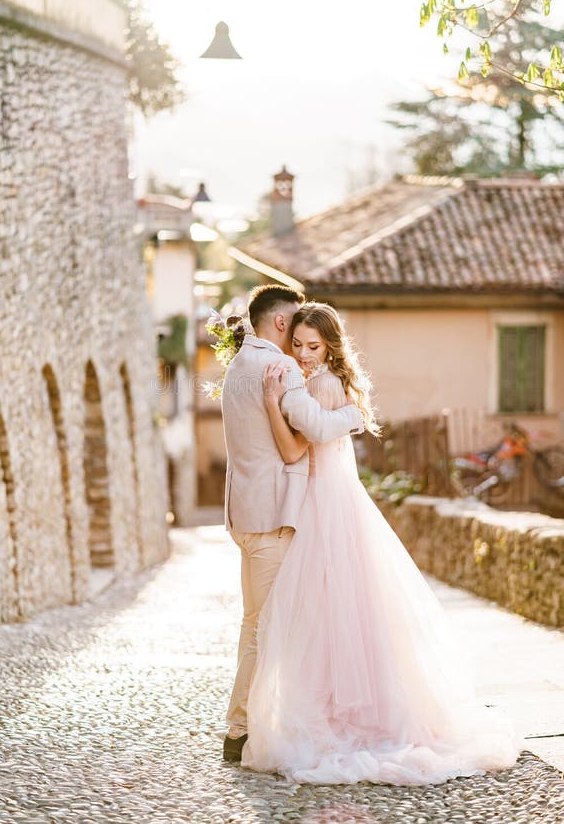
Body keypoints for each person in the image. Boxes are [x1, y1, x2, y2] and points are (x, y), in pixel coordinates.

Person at [241, 302, 522, 786]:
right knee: (336, 614)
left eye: (315, 346)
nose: (305, 355)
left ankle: (343, 717)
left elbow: (306, 440)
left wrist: (291, 405)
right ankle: (341, 709)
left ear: (331, 346)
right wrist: (281, 403)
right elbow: (298, 446)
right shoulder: (308, 384)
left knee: (327, 613)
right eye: (300, 346)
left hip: (325, 502)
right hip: (324, 498)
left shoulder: (323, 385)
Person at [221, 286, 365, 763]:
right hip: (273, 519)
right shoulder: (278, 368)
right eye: (296, 334)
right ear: (282, 325)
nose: (300, 351)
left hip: (244, 514)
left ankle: (251, 722)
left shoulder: (238, 365)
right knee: (265, 631)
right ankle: (239, 731)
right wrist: (355, 413)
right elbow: (319, 430)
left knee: (254, 627)